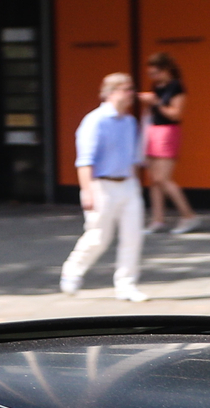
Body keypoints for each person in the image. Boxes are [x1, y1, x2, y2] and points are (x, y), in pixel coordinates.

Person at [62, 72, 148, 303]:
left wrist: (135, 183)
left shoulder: (130, 121)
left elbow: (133, 158)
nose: (132, 94)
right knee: (98, 236)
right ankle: (73, 271)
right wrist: (87, 191)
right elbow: (85, 160)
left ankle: (126, 285)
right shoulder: (95, 120)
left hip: (128, 184)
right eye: (127, 89)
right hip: (102, 185)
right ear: (112, 92)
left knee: (133, 236)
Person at [140, 52, 198, 235]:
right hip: (153, 130)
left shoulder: (176, 87)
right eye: (151, 74)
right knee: (154, 180)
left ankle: (188, 215)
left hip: (168, 132)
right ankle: (158, 219)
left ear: (166, 70)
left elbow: (176, 114)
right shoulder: (157, 86)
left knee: (162, 178)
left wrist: (155, 102)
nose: (153, 78)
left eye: (155, 73)